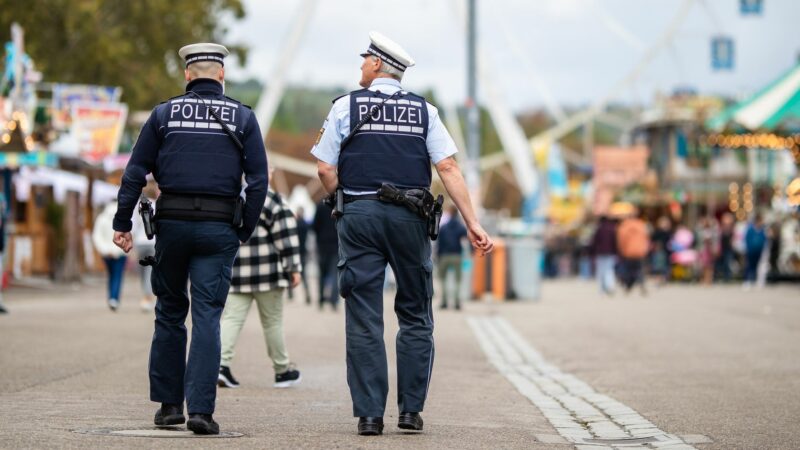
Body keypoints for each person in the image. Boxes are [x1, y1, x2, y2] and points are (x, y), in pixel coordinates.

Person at [311, 31, 494, 436]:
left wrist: (342, 204)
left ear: (376, 64)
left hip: (359, 215)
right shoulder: (425, 112)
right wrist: (473, 222)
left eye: (364, 60)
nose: (360, 65)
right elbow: (447, 168)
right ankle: (410, 411)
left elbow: (325, 168)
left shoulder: (345, 106)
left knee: (363, 315)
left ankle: (370, 415)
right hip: (411, 218)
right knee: (415, 313)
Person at [111, 43, 268, 435]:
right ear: (221, 75)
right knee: (208, 315)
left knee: (169, 311)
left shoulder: (164, 115)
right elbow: (259, 181)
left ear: (187, 75)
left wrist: (122, 221)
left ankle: (168, 407)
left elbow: (135, 172)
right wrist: (243, 228)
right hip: (219, 229)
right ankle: (200, 411)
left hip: (172, 226)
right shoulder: (244, 118)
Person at [218, 174, 303, 389]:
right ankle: (282, 371)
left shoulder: (230, 196)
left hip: (236, 270)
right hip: (268, 273)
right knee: (272, 322)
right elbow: (286, 235)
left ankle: (221, 365)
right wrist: (294, 267)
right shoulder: (272, 199)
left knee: (231, 319)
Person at [92, 201, 128, 311]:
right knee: (117, 276)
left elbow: (97, 236)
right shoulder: (123, 218)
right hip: (120, 252)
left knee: (111, 275)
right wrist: (117, 250)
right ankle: (114, 298)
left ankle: (111, 297)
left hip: (106, 253)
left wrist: (105, 250)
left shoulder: (101, 218)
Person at [132, 183, 159, 312]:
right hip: (153, 241)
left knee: (143, 270)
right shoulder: (157, 205)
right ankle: (148, 297)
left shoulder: (139, 206)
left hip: (140, 242)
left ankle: (146, 295)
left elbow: (134, 225)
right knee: (150, 270)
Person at [436, 205, 467, 310]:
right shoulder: (461, 226)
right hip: (457, 255)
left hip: (444, 255)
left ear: (449, 213)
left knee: (443, 279)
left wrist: (438, 256)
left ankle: (444, 302)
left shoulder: (444, 227)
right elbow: (466, 239)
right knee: (457, 280)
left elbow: (438, 243)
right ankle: (457, 302)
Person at [312, 199, 339, 311]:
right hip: (336, 245)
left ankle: (321, 299)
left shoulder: (320, 206)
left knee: (322, 273)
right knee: (334, 274)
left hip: (322, 245)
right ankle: (334, 300)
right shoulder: (339, 205)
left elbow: (314, 226)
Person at [616, 210, 650, 295]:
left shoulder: (624, 226)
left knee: (629, 270)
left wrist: (622, 250)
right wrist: (645, 249)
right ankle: (641, 284)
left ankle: (628, 287)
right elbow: (646, 238)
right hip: (640, 251)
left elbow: (621, 240)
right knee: (639, 269)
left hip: (628, 251)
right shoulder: (641, 225)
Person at [288, 206, 311, 304]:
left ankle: (290, 294)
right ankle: (307, 295)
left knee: (291, 272)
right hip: (303, 251)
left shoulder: (294, 224)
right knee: (304, 275)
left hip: (295, 252)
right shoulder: (305, 225)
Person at [592, 216, 618, 295]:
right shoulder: (612, 229)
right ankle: (610, 286)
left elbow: (594, 242)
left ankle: (603, 288)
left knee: (601, 271)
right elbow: (615, 242)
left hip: (600, 253)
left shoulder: (599, 229)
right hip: (611, 253)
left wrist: (592, 252)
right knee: (609, 270)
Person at [743, 215, 767, 290]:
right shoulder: (750, 229)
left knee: (757, 266)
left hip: (759, 251)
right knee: (749, 266)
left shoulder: (762, 230)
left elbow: (764, 240)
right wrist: (749, 248)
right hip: (751, 251)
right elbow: (747, 239)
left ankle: (755, 280)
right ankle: (747, 281)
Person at [650, 216, 672, 285]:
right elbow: (652, 239)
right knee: (657, 266)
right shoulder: (658, 232)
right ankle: (658, 279)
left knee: (664, 266)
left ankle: (663, 279)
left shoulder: (668, 232)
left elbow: (670, 241)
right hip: (659, 251)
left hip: (666, 251)